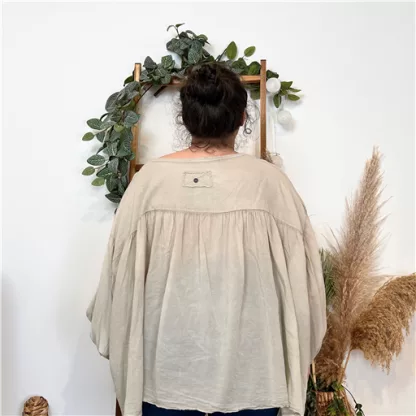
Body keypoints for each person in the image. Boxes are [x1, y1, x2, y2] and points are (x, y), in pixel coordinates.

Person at [86, 62, 327, 416]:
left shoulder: (148, 184)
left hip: (163, 380)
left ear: (185, 119)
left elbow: (115, 290)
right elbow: (307, 294)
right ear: (242, 118)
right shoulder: (271, 186)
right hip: (254, 381)